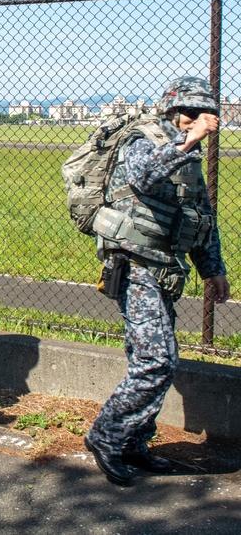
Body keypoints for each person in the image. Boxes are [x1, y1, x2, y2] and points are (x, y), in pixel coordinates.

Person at [84, 76, 231, 485]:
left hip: (164, 268)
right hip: (133, 264)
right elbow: (144, 177)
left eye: (208, 115)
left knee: (149, 358)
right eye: (194, 114)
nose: (201, 121)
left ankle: (133, 442)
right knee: (158, 359)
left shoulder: (190, 154)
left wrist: (213, 269)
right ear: (174, 110)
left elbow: (200, 217)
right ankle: (107, 435)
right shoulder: (144, 137)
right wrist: (187, 141)